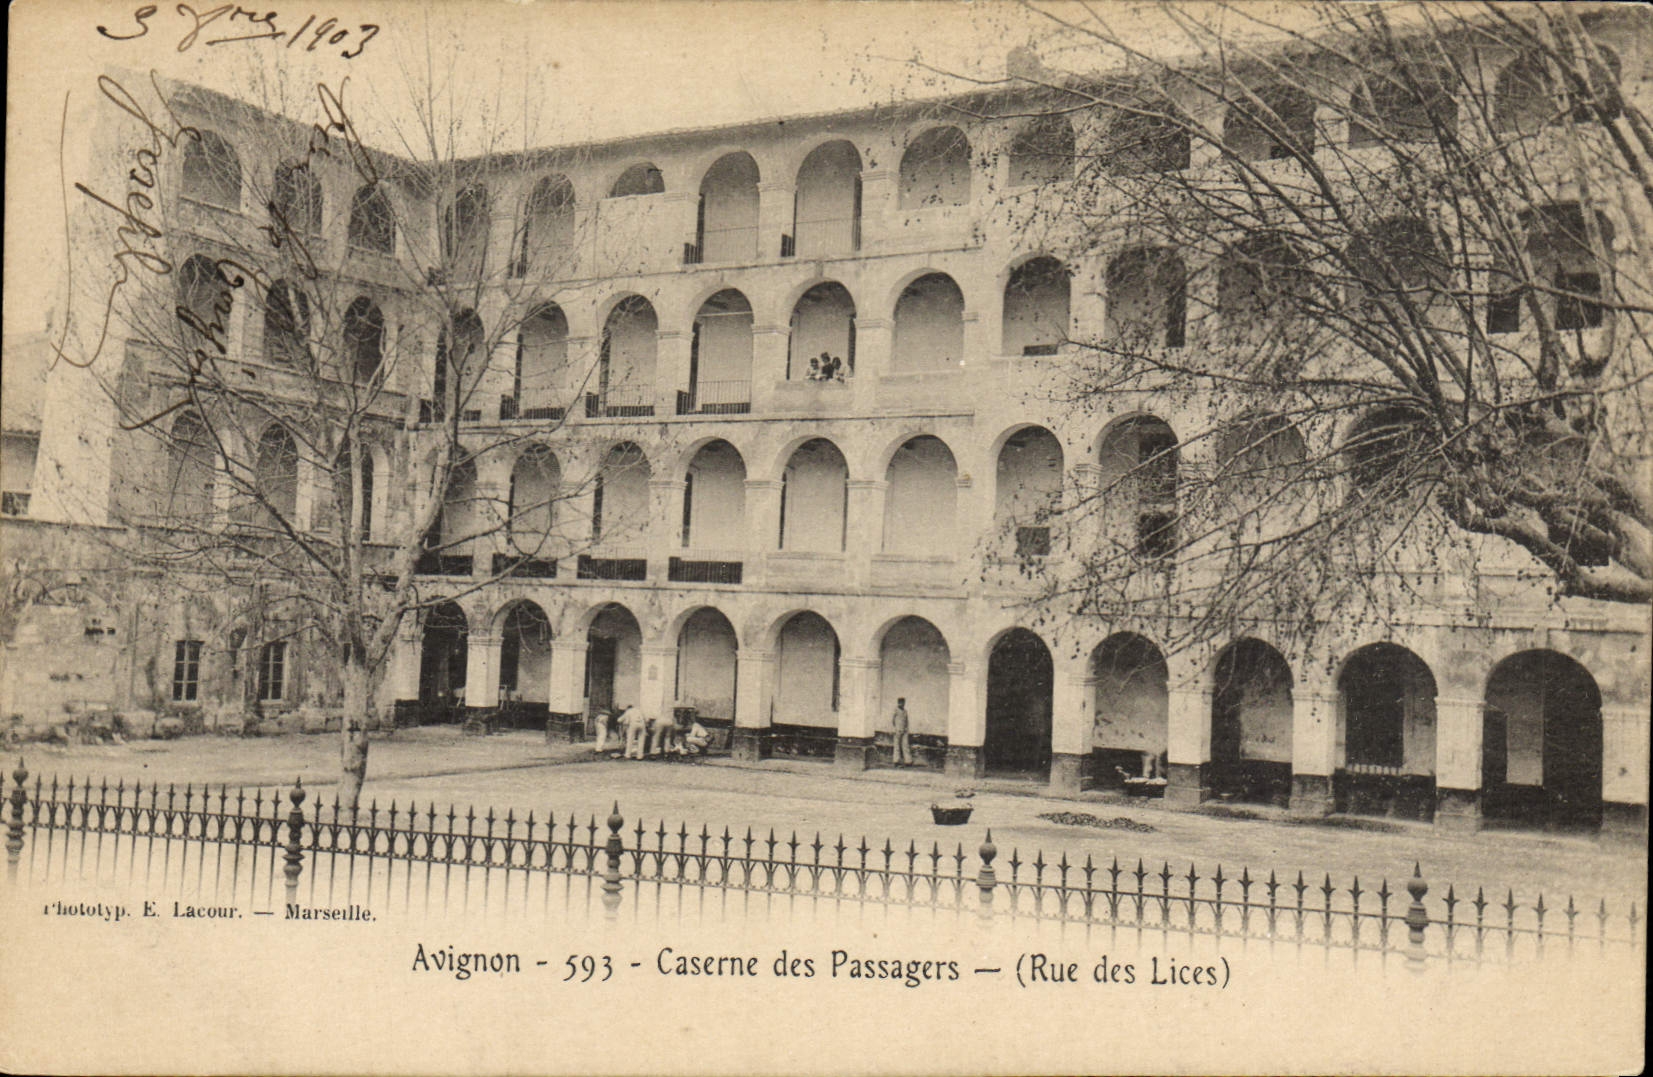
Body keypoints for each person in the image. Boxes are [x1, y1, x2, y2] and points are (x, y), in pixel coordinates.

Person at [891, 697, 913, 766]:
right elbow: (893, 720)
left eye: (903, 702)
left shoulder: (905, 711)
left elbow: (906, 721)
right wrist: (895, 728)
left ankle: (908, 761)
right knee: (897, 746)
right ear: (898, 703)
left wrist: (906, 729)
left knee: (905, 745)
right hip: (897, 730)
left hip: (904, 730)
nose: (902, 704)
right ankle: (896, 761)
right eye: (900, 702)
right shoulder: (895, 710)